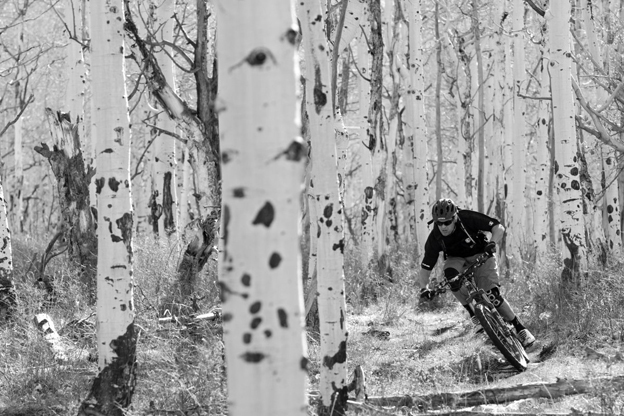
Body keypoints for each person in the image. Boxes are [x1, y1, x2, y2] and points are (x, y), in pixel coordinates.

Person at [417, 198, 536, 348]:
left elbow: (498, 227)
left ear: (455, 217)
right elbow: (426, 267)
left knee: (492, 295)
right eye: (439, 223)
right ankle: (473, 313)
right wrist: (424, 288)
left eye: (447, 222)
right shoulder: (435, 237)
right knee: (451, 276)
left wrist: (492, 243)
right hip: (457, 259)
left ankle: (520, 328)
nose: (443, 227)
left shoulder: (467, 218)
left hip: (481, 253)